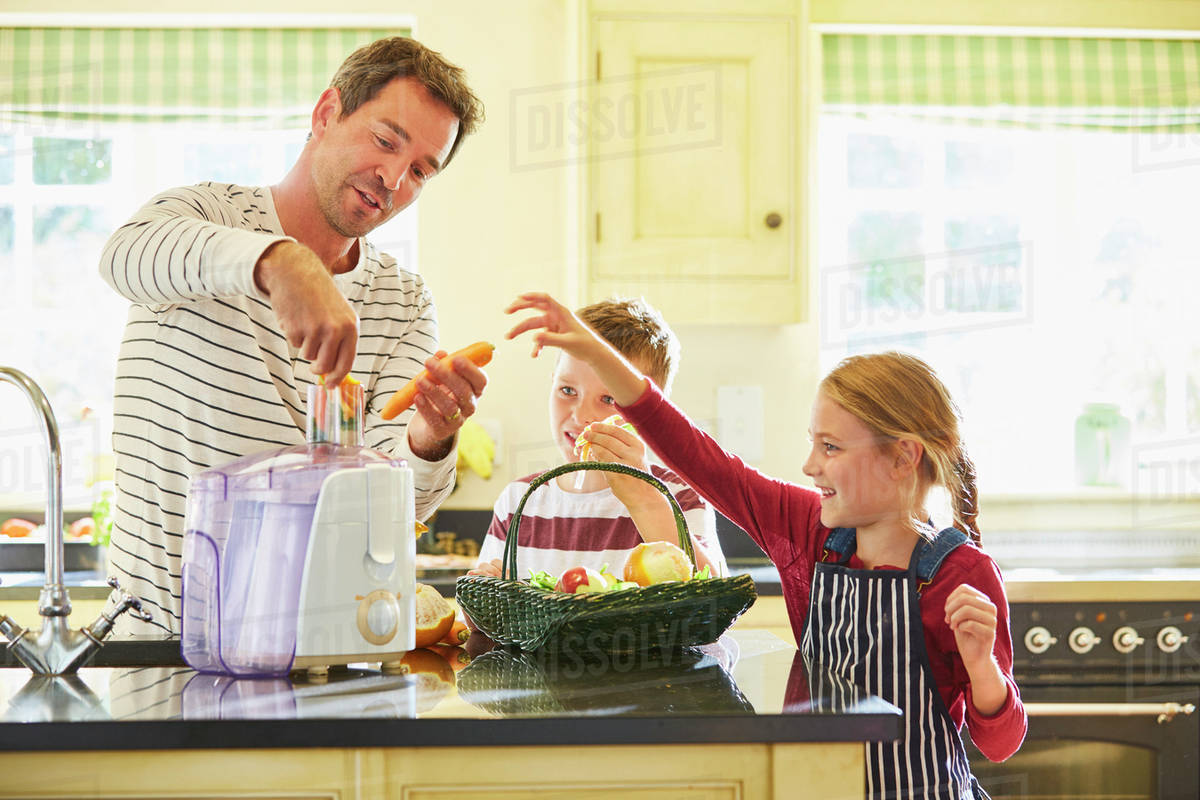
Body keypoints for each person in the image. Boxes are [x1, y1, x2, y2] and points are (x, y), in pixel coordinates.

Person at [504, 292, 1026, 799]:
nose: (809, 465)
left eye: (830, 447)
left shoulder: (961, 573)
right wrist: (596, 352)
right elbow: (697, 455)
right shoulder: (811, 532)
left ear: (902, 458)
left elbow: (1000, 744)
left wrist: (984, 669)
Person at [98, 37, 486, 635]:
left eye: (419, 170)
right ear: (327, 112)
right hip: (154, 642)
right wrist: (282, 262)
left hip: (308, 652)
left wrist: (429, 437)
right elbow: (122, 257)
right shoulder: (204, 215)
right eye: (386, 141)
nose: (393, 177)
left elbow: (393, 509)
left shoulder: (402, 301)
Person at [469, 297, 727, 584]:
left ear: (654, 412)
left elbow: (712, 602)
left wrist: (644, 500)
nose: (581, 416)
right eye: (567, 390)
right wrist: (485, 589)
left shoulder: (681, 495)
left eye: (608, 398)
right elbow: (484, 617)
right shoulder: (518, 501)